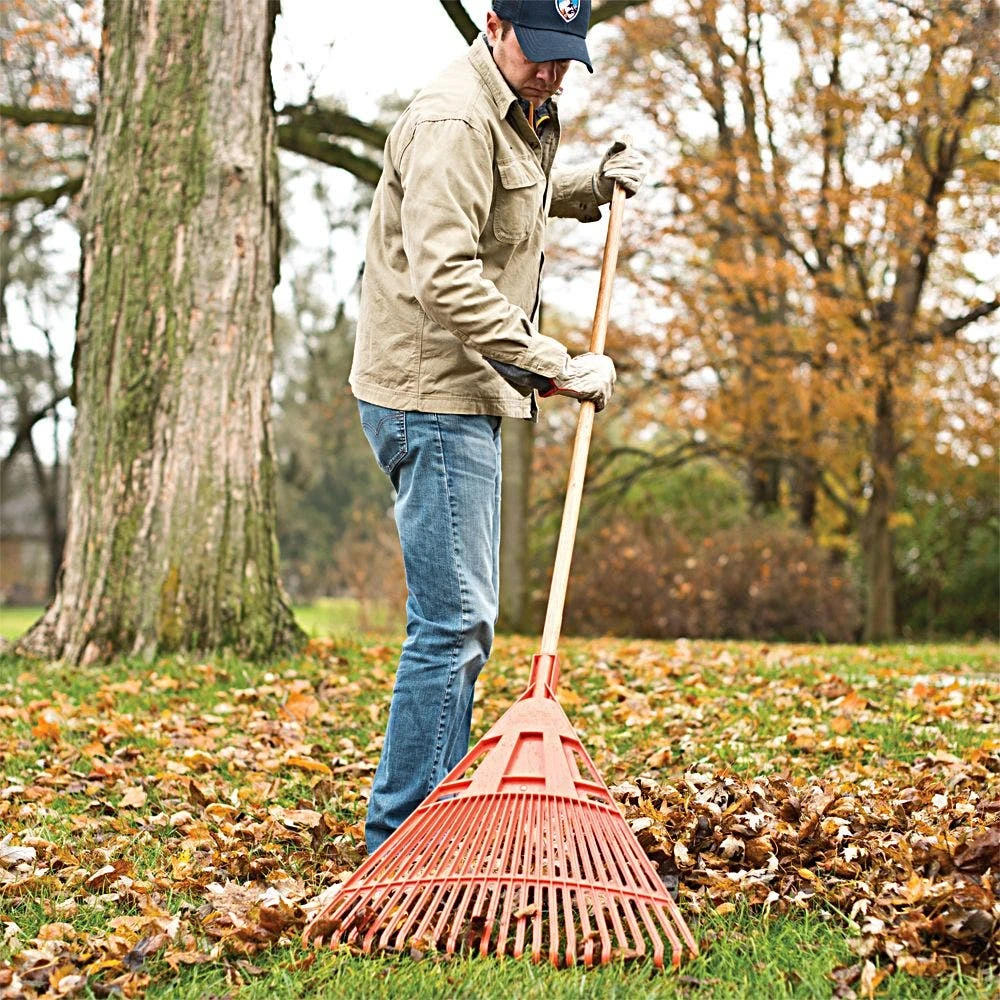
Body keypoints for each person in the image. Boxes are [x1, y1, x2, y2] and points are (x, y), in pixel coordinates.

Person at [350, 0, 647, 853]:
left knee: (460, 622)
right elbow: (446, 276)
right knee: (453, 624)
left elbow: (515, 204)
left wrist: (592, 184)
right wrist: (553, 362)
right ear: (493, 25)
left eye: (565, 58)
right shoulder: (455, 120)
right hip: (432, 392)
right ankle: (403, 838)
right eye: (537, 52)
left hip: (466, 388)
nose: (550, 74)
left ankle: (423, 822)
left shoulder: (518, 109)